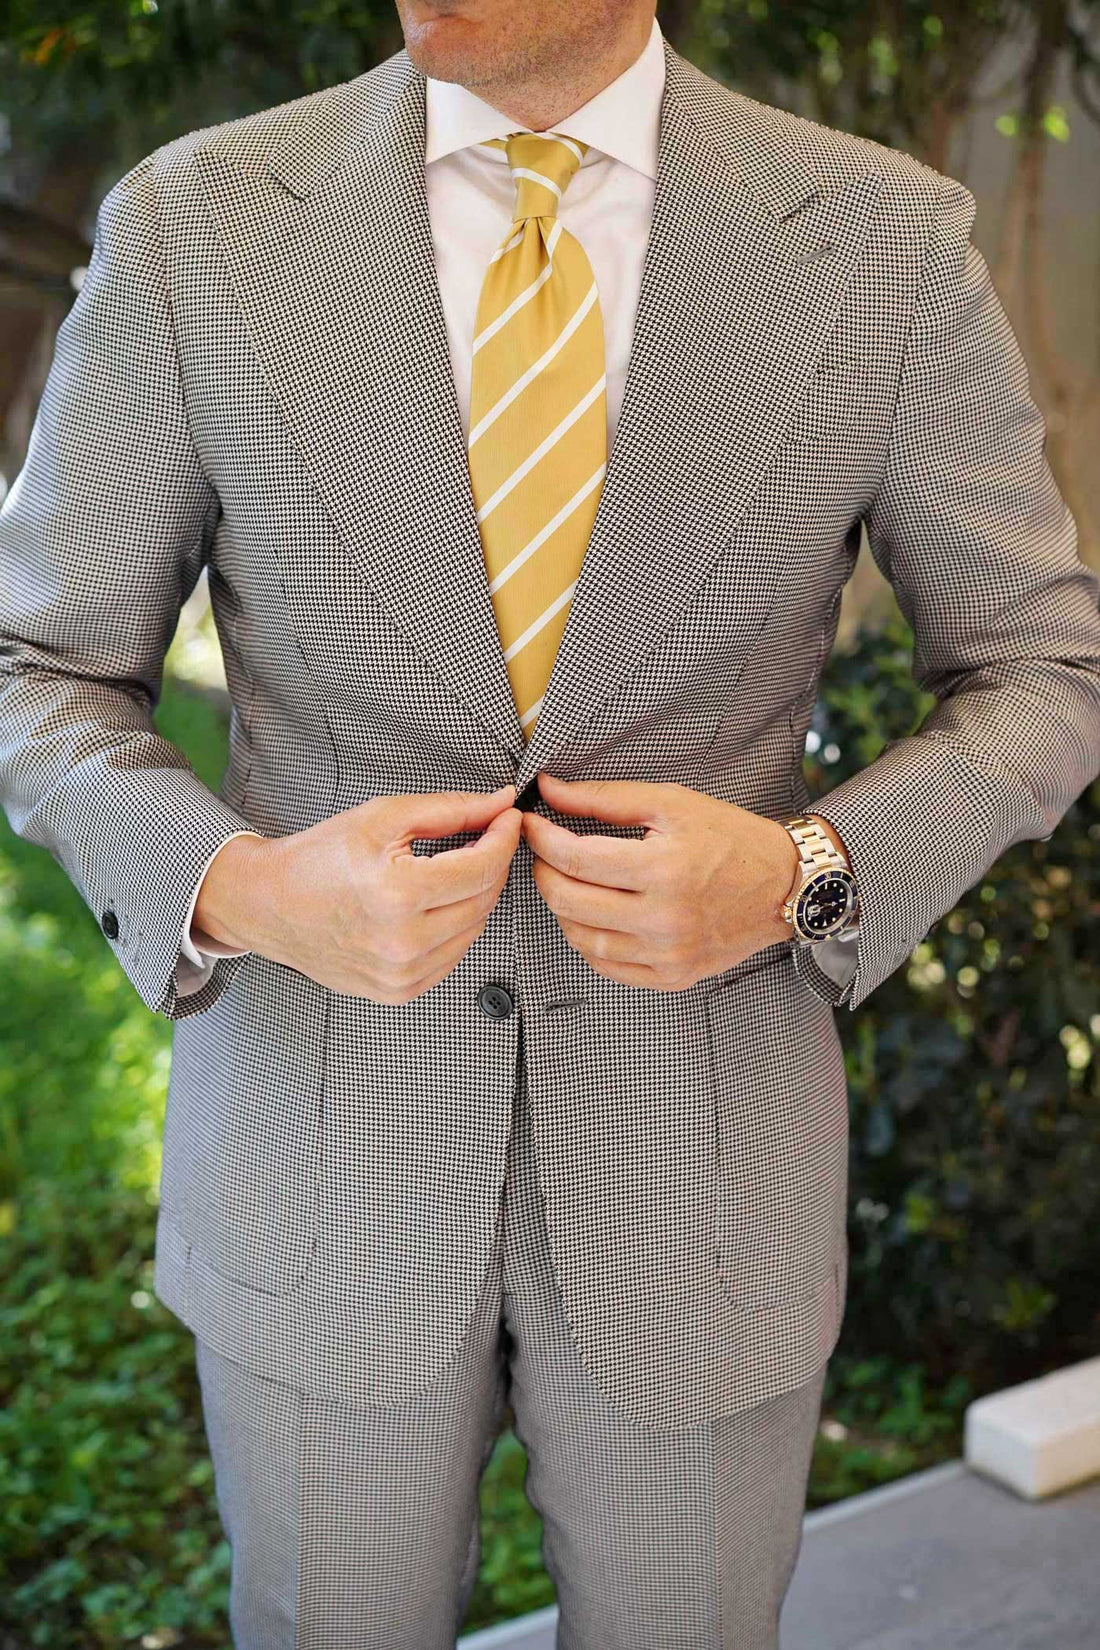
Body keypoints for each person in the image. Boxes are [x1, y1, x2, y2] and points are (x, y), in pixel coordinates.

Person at [2, 1, 1099, 1645]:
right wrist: (243, 885)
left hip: (699, 1188)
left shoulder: (879, 242)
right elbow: (37, 668)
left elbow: (1045, 669)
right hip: (323, 1171)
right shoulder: (198, 226)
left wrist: (806, 872)